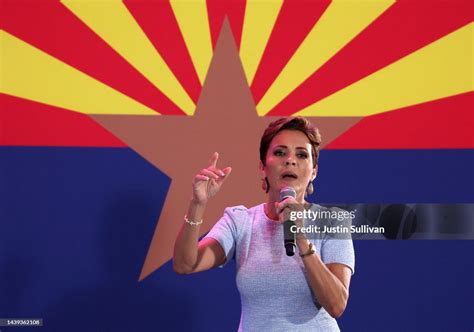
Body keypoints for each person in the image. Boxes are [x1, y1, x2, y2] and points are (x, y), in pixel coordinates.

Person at [173, 117, 355, 331]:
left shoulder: (333, 222)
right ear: (262, 167)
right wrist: (197, 203)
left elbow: (336, 305)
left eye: (301, 155)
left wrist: (301, 238)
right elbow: (185, 264)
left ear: (314, 171)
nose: (290, 161)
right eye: (280, 153)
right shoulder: (240, 222)